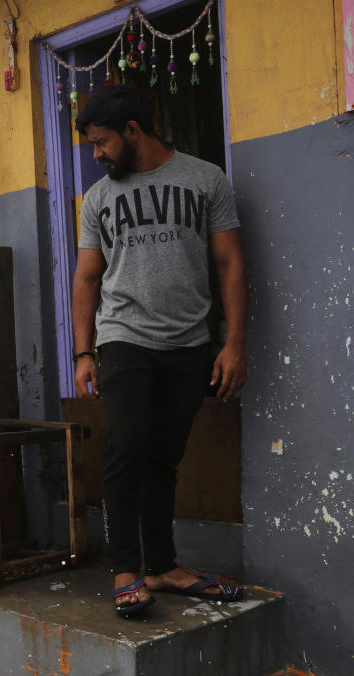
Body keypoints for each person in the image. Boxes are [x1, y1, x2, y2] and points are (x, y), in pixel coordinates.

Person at [70, 85, 247, 616]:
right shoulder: (99, 199)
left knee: (164, 459)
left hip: (190, 343)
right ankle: (126, 570)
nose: (97, 155)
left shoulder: (205, 179)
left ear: (132, 131)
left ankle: (162, 567)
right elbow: (86, 277)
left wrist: (233, 343)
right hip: (123, 338)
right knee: (127, 448)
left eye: (101, 143)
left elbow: (230, 265)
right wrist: (84, 352)